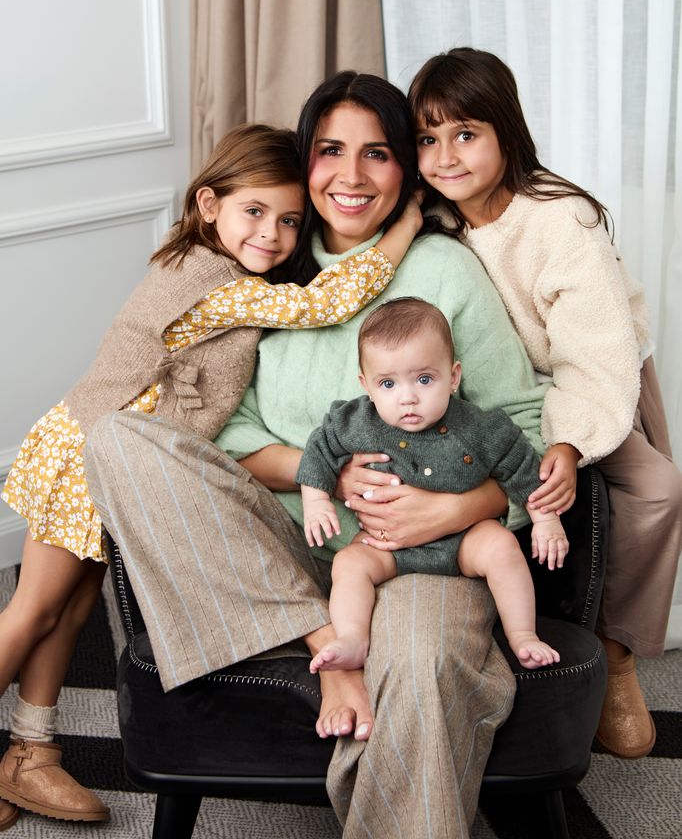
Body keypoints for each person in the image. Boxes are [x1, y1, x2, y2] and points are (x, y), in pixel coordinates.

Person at [85, 70, 552, 838]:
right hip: (278, 545)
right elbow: (224, 430)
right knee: (117, 440)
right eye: (331, 150)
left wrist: (461, 507)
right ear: (306, 162)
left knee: (429, 665)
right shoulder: (268, 267)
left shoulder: (442, 270)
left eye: (378, 153)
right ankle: (324, 641)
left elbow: (523, 422)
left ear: (405, 166)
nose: (352, 175)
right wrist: (322, 469)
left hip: (420, 555)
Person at [0, 123, 420, 828]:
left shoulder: (224, 273)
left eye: (290, 220)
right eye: (254, 212)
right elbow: (321, 303)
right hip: (85, 455)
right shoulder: (206, 281)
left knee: (72, 613)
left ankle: (29, 755)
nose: (273, 234)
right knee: (34, 610)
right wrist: (403, 226)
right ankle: (25, 753)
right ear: (208, 204)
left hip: (109, 457)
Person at [408, 45, 682, 760]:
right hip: (503, 390)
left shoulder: (562, 221)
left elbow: (594, 354)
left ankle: (615, 655)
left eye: (465, 134)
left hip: (591, 373)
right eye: (427, 139)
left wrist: (564, 440)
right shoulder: (426, 216)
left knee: (656, 490)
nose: (446, 156)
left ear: (505, 132)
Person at [299, 296, 567, 675]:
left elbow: (522, 468)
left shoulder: (480, 428)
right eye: (388, 383)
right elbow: (320, 448)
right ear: (366, 386)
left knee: (502, 546)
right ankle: (352, 639)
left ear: (453, 376)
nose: (408, 397)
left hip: (463, 540)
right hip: (385, 544)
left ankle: (523, 634)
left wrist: (545, 520)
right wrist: (316, 500)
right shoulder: (356, 421)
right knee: (349, 563)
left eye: (424, 379)